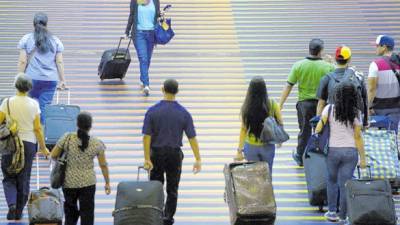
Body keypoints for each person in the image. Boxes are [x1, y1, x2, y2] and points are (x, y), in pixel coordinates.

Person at [142, 79, 201, 225]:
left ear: (162, 89)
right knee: (172, 188)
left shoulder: (152, 111)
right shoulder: (184, 113)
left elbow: (146, 137)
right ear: (177, 91)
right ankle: (168, 218)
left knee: (156, 186)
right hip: (174, 155)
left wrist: (147, 158)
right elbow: (192, 137)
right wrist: (198, 158)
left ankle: (156, 214)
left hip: (156, 154)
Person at [0, 73, 50, 220]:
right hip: (28, 144)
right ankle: (19, 211)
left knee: (8, 176)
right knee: (24, 178)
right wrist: (43, 147)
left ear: (16, 86)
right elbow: (37, 129)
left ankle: (11, 205)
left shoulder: (7, 102)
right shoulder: (34, 104)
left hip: (10, 142)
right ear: (29, 88)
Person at [279, 39, 334, 166]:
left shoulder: (299, 65)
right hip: (322, 104)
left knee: (305, 130)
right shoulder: (328, 67)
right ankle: (320, 155)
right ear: (321, 51)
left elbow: (289, 85)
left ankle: (300, 156)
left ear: (309, 49)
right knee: (322, 129)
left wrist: (280, 104)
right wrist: (331, 63)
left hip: (304, 104)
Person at [316, 82, 366, 223]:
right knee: (345, 184)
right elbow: (358, 137)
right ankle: (343, 216)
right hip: (350, 152)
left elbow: (318, 129)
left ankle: (332, 212)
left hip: (333, 151)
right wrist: (363, 159)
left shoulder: (329, 109)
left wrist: (319, 130)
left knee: (332, 181)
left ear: (336, 95)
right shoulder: (356, 112)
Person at [50, 112, 111, 225]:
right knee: (87, 214)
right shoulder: (97, 143)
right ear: (90, 126)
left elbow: (53, 155)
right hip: (88, 183)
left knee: (70, 214)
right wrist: (107, 183)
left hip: (69, 182)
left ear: (77, 124)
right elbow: (103, 165)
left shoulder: (67, 138)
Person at [17, 12, 66, 124]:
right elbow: (59, 61)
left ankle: (27, 134)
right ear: (46, 24)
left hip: (30, 79)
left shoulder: (26, 39)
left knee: (27, 106)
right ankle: (43, 136)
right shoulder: (55, 40)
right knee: (44, 108)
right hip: (50, 80)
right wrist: (62, 80)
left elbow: (23, 61)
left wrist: (19, 77)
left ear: (33, 24)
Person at [236, 76, 284, 173]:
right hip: (268, 145)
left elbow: (243, 129)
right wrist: (279, 139)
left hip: (251, 147)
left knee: (253, 176)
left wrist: (239, 150)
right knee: (267, 173)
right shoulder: (272, 104)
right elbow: (280, 121)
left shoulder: (247, 106)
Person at [317, 46, 368, 127]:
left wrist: (318, 124)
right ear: (349, 59)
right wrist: (365, 122)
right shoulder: (358, 77)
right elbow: (364, 100)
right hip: (354, 121)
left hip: (334, 121)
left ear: (335, 59)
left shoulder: (326, 78)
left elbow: (321, 104)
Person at [125, 0, 161, 96]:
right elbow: (132, 15)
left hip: (151, 34)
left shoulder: (155, 1)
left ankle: (142, 77)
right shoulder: (135, 1)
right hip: (139, 34)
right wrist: (127, 31)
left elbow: (157, 15)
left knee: (147, 59)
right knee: (143, 58)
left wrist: (161, 16)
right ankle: (146, 85)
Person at [368, 35, 400, 132]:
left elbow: (371, 89)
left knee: (381, 138)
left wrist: (368, 107)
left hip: (379, 110)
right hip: (396, 108)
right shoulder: (398, 63)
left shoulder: (375, 65)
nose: (376, 48)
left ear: (384, 47)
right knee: (393, 137)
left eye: (377, 46)